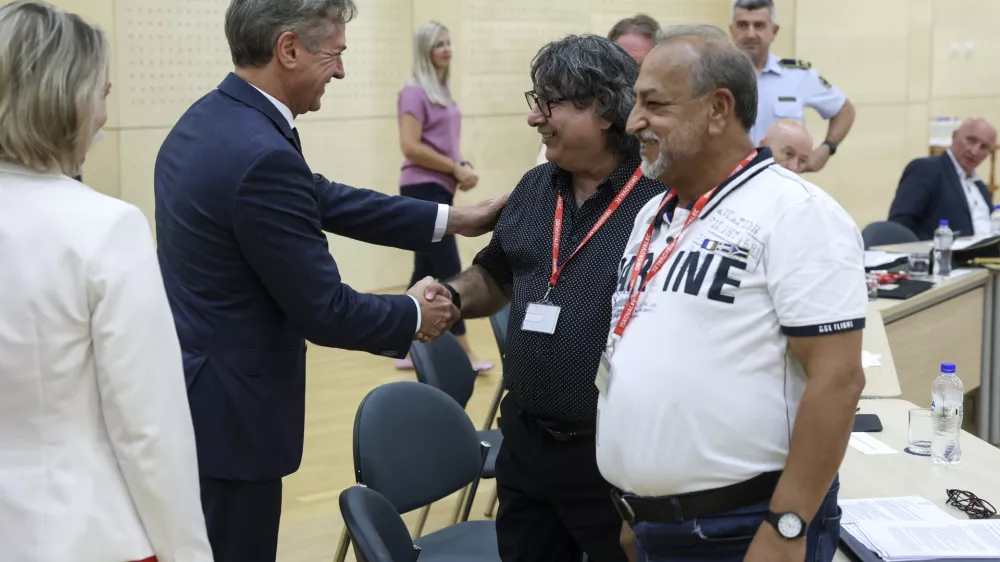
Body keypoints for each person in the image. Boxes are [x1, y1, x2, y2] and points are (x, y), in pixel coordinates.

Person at [153, 1, 506, 560]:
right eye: (335, 54)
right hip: (235, 418)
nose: (340, 71)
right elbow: (324, 309)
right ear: (288, 49)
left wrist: (451, 218)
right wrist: (415, 314)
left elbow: (320, 196)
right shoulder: (259, 152)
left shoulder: (211, 118)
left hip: (195, 391)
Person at [598, 24, 866, 562]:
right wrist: (634, 506)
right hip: (652, 525)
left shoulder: (796, 213)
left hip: (742, 532)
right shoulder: (653, 214)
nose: (633, 123)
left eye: (654, 104)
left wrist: (786, 529)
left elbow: (838, 379)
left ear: (718, 109)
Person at [441, 34, 667, 562]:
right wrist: (448, 297)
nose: (535, 118)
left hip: (613, 459)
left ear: (604, 109)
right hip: (527, 445)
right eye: (535, 101)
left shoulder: (661, 203)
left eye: (549, 102)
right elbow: (495, 274)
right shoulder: (536, 187)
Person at [0, 2, 212, 561]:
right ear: (65, 99)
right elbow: (149, 429)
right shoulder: (106, 228)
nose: (103, 115)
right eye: (102, 93)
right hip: (79, 532)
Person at [395, 20, 492, 372]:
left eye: (449, 43)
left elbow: (440, 143)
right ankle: (465, 352)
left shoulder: (440, 90)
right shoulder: (413, 91)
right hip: (422, 189)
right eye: (439, 44)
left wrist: (460, 165)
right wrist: (454, 167)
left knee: (425, 268)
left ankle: (402, 345)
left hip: (441, 187)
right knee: (450, 268)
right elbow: (410, 146)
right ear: (425, 49)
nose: (447, 50)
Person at [730, 0, 855, 172]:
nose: (751, 34)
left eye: (759, 26)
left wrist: (827, 149)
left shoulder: (798, 75)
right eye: (743, 25)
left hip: (783, 185)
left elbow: (844, 109)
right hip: (728, 183)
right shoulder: (715, 76)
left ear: (774, 31)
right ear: (731, 30)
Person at [535, 14, 661, 167]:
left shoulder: (670, 130)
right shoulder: (565, 132)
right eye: (619, 65)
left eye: (639, 67)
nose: (629, 77)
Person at [888, 117, 997, 240]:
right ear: (954, 136)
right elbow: (900, 226)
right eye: (971, 140)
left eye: (984, 147)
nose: (975, 151)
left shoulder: (980, 188)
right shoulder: (926, 169)